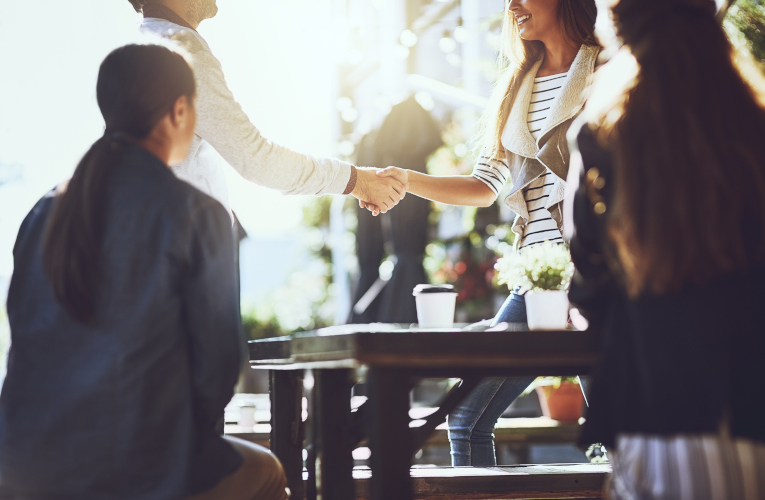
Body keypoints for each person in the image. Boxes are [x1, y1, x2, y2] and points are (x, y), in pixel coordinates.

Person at [0, 44, 287, 500]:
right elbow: (216, 373)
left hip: (20, 463)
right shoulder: (197, 213)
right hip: (132, 469)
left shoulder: (41, 213)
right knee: (268, 471)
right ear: (179, 111)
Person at [369, 0, 600, 466]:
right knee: (466, 418)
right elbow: (484, 187)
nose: (512, 7)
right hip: (538, 278)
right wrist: (408, 180)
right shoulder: (516, 87)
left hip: (596, 274)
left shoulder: (607, 68)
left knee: (616, 423)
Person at [567, 0, 765, 497]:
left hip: (662, 404)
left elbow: (588, 279)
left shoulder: (604, 133)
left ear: (620, 28)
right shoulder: (753, 120)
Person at [126, 0, 406, 217]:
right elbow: (257, 161)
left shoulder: (143, 47)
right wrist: (357, 180)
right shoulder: (182, 50)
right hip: (181, 262)